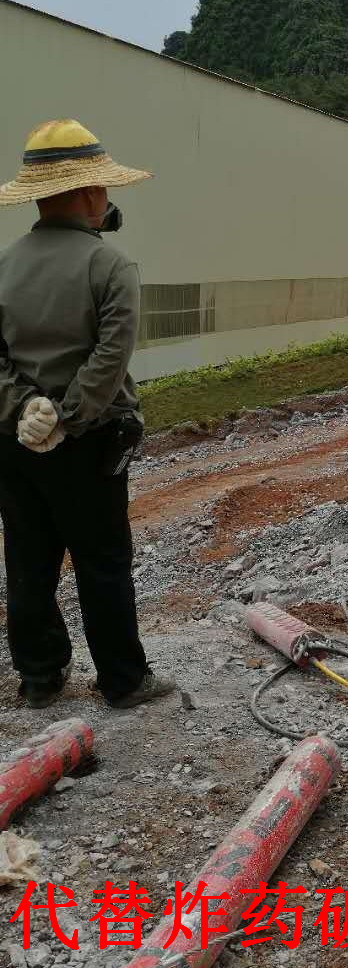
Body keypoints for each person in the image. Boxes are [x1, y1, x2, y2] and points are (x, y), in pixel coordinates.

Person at [0, 119, 175, 710]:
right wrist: (68, 418)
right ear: (87, 194)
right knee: (101, 562)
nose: (107, 198)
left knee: (27, 557)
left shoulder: (3, 266)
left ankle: (40, 678)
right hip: (89, 440)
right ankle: (123, 680)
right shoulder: (111, 266)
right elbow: (109, 356)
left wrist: (26, 410)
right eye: (102, 187)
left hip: (13, 443)